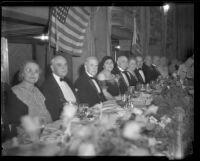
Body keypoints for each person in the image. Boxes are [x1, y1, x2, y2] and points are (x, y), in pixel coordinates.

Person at [6, 60, 52, 138]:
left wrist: (51, 128)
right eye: (29, 70)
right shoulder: (14, 93)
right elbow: (15, 125)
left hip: (44, 132)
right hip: (26, 138)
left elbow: (46, 113)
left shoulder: (38, 91)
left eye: (36, 71)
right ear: (22, 74)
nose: (33, 74)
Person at [40, 55, 77, 121]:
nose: (64, 68)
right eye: (59, 65)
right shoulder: (47, 86)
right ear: (52, 68)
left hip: (76, 119)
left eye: (65, 65)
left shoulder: (69, 81)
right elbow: (53, 113)